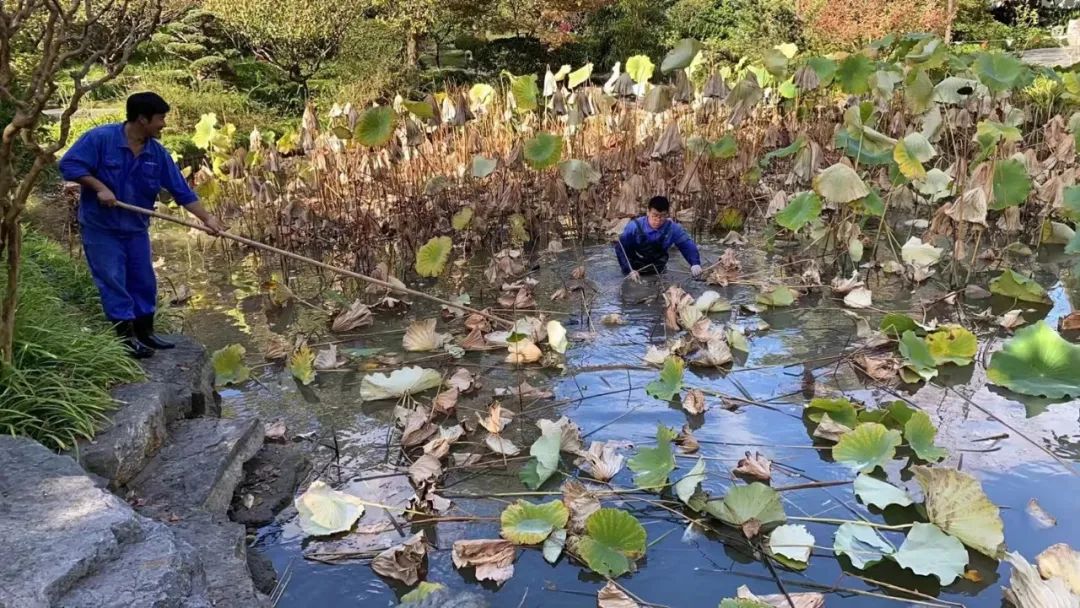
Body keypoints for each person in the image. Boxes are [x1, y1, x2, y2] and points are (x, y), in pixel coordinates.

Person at [59, 92, 227, 358]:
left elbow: (181, 191)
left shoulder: (156, 153)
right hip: (102, 227)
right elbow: (69, 165)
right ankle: (126, 340)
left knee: (143, 280)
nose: (164, 124)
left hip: (135, 228)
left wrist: (208, 219)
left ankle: (146, 333)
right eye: (160, 118)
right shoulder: (101, 139)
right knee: (113, 278)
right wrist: (100, 187)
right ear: (142, 119)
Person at [614, 195, 702, 281]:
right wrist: (628, 269)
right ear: (648, 212)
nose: (658, 220)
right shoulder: (634, 227)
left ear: (667, 214)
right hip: (634, 266)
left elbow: (686, 245)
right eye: (654, 215)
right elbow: (621, 248)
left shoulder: (673, 229)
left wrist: (695, 263)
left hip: (657, 267)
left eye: (662, 216)